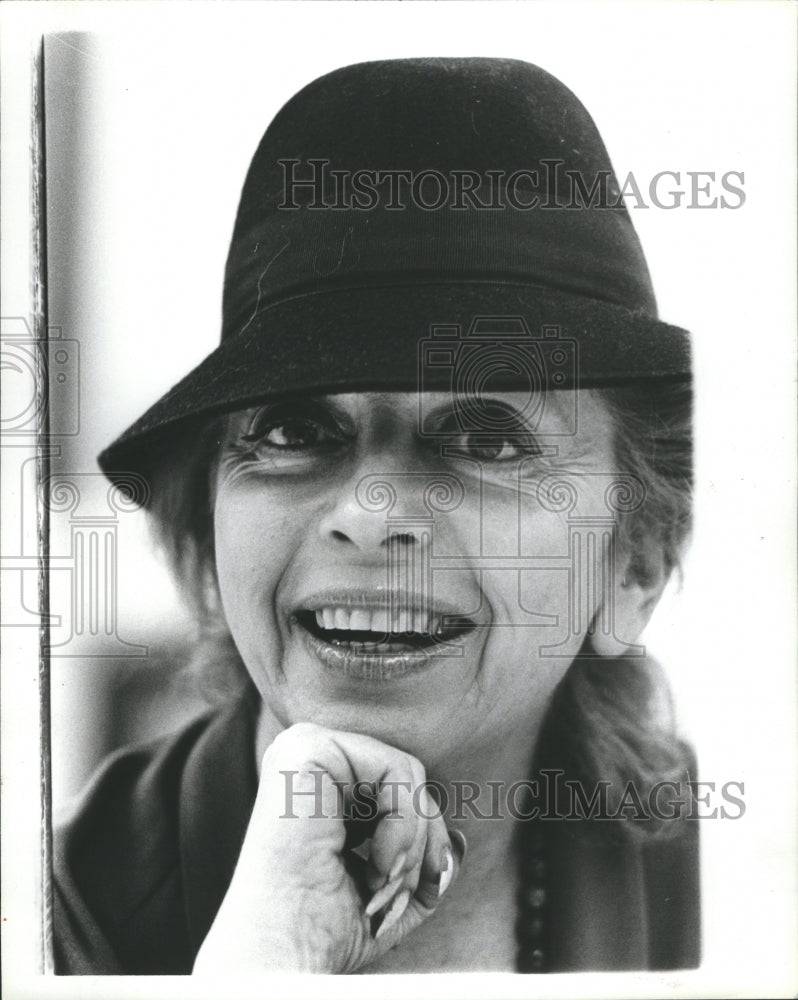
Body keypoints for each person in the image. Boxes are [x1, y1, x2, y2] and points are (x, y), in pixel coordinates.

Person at [53, 57, 699, 974]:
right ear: (205, 540)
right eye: (293, 429)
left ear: (633, 559)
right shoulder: (55, 921)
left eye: (484, 440)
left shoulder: (749, 897)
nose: (368, 513)